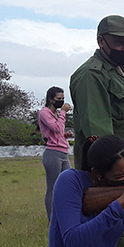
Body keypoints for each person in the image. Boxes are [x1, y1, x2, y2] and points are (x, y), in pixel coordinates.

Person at [69, 15, 124, 247]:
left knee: (122, 226)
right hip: (111, 173)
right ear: (101, 41)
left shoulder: (117, 70)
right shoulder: (92, 75)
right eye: (119, 43)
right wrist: (118, 177)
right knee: (112, 230)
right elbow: (99, 138)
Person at [39, 86, 73, 221]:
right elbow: (56, 127)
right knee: (52, 187)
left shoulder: (57, 114)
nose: (61, 101)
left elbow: (57, 133)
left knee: (68, 183)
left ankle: (65, 215)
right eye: (59, 99)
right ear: (50, 99)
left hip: (63, 152)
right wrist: (64, 112)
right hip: (52, 153)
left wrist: (65, 135)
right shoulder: (44, 113)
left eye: (63, 99)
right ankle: (51, 219)